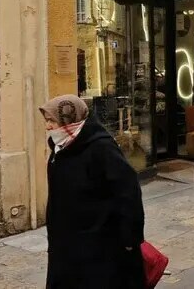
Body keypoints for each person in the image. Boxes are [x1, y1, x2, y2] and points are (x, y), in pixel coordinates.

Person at [40, 95, 145, 289]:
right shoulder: (60, 148)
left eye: (51, 121)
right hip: (66, 246)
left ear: (68, 120)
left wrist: (130, 237)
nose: (47, 127)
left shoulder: (101, 147)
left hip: (99, 246)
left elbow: (127, 192)